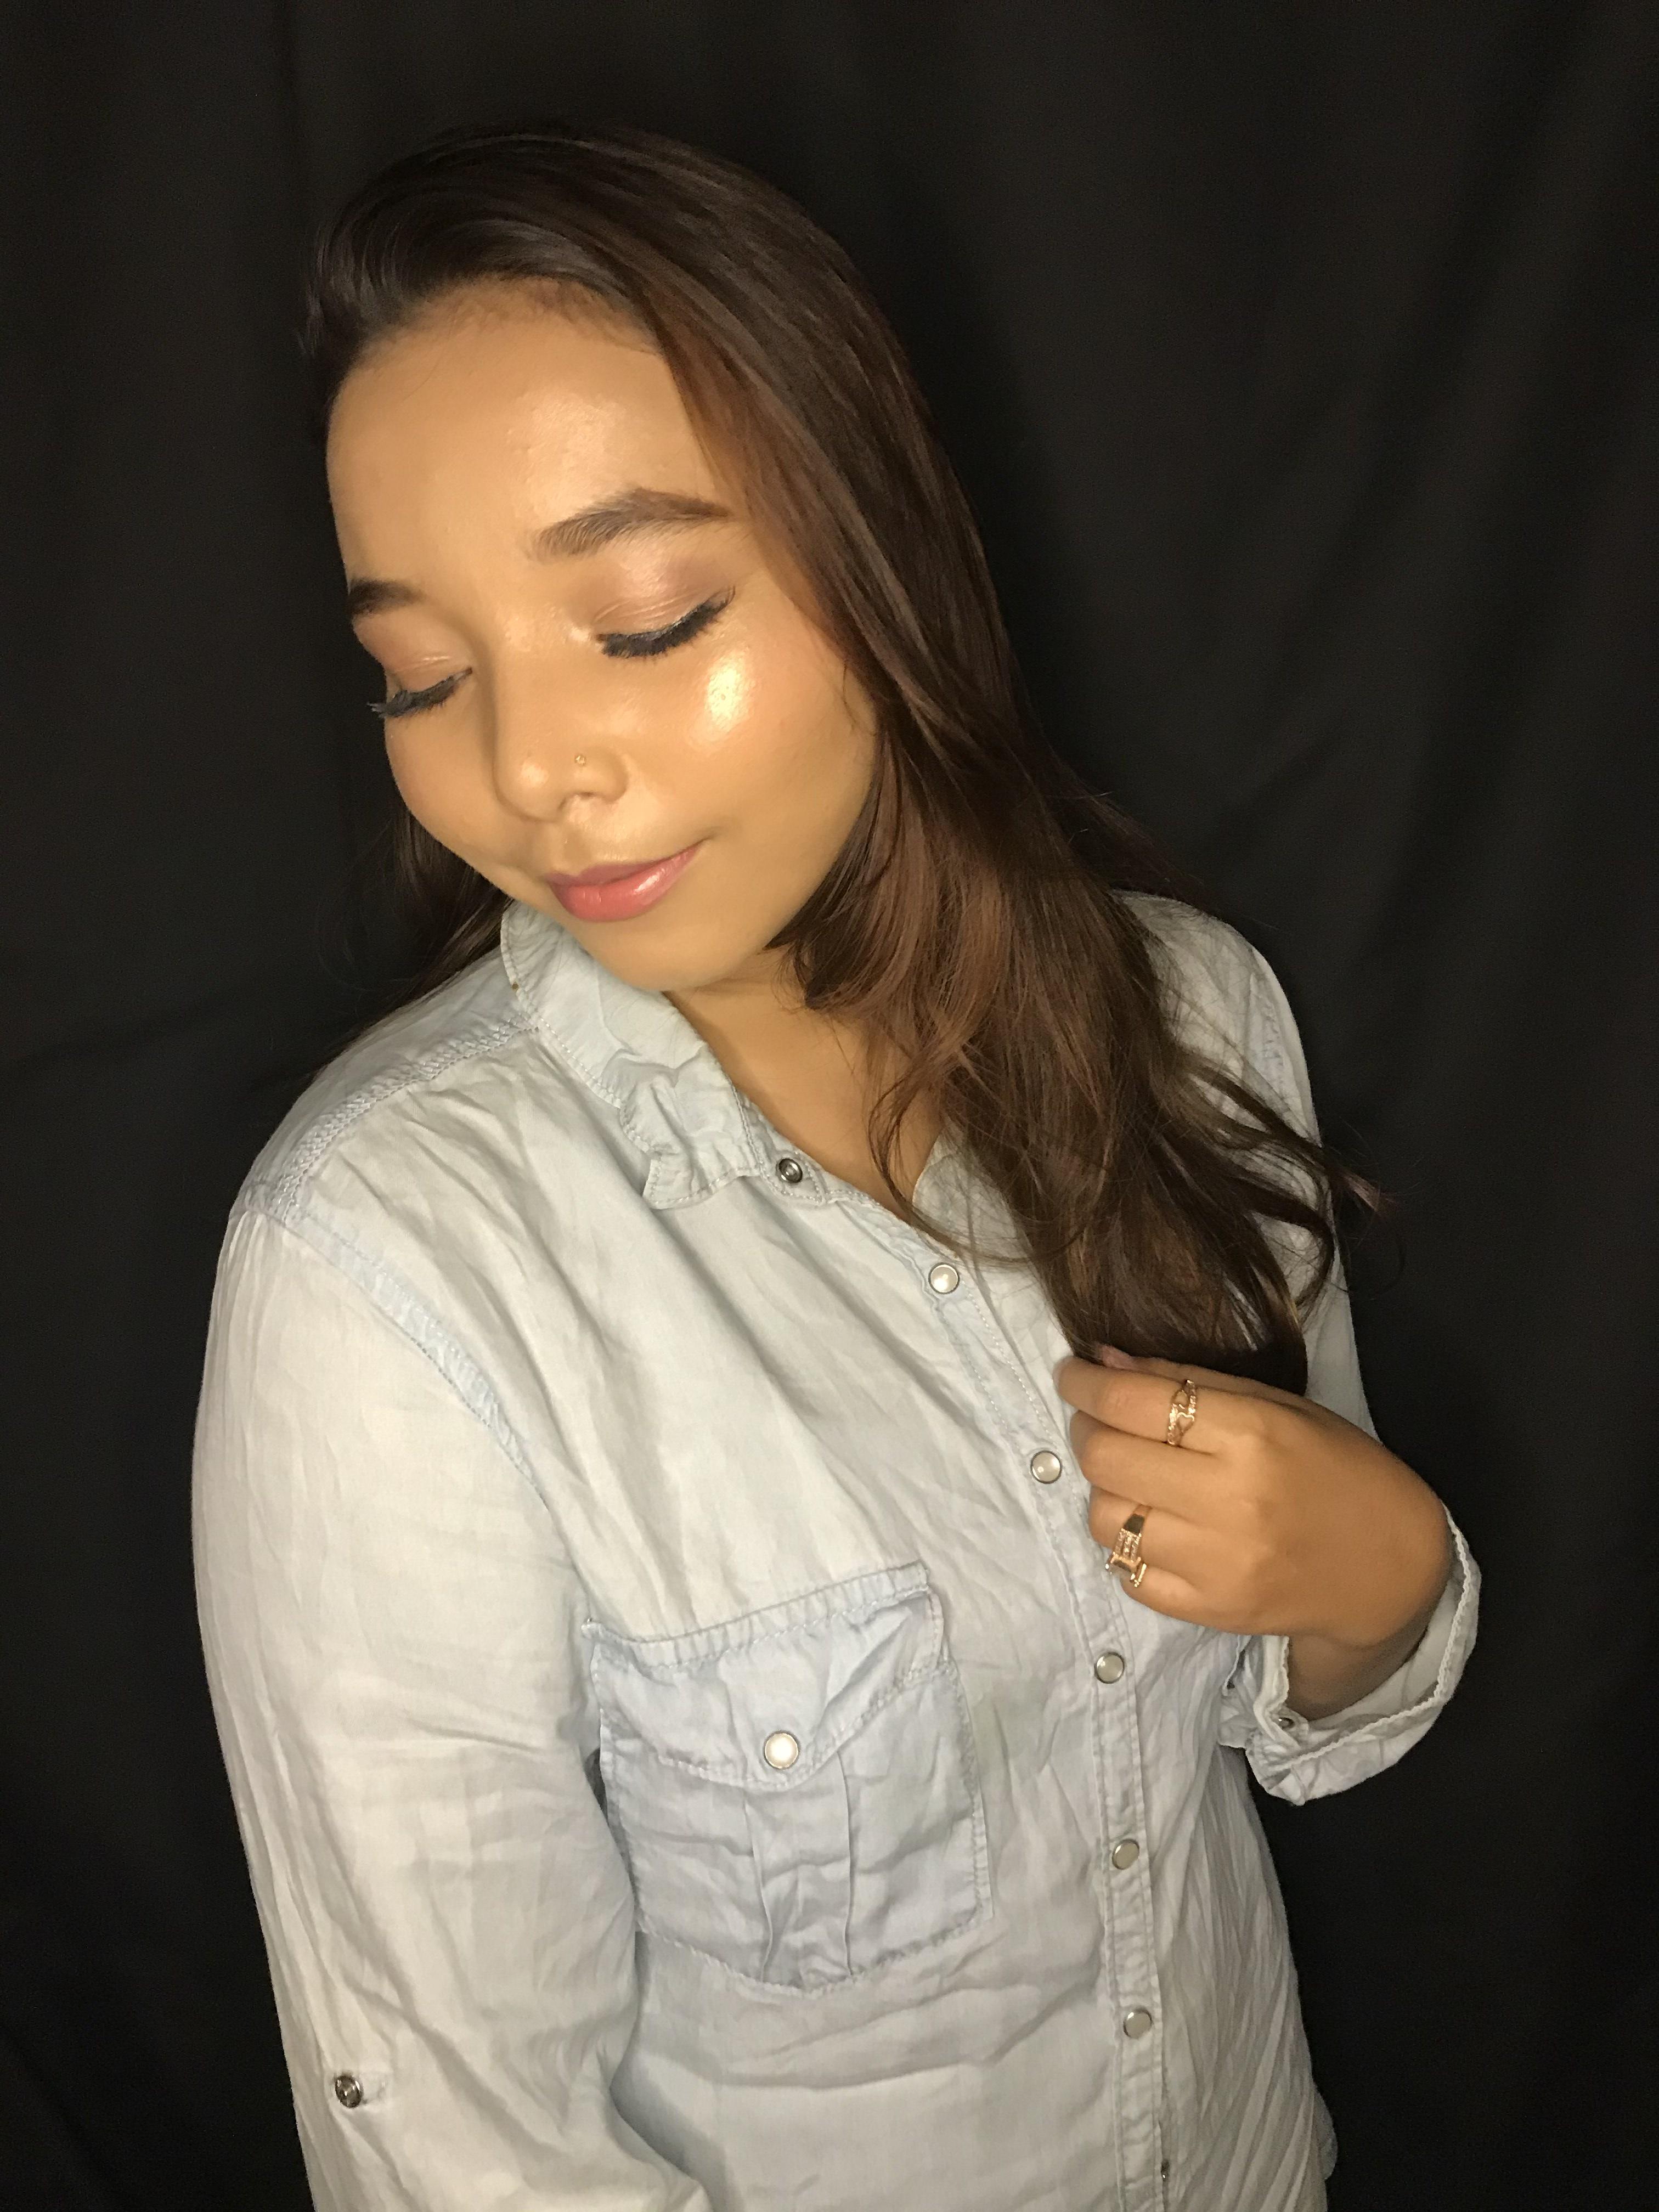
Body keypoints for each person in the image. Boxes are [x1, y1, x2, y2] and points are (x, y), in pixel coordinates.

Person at [191, 120, 1478, 2212]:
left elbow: (1303, 1710)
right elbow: (467, 2152)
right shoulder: (388, 1268)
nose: (525, 768)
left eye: (642, 619)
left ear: (883, 557)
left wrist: (1383, 1582)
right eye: (420, 675)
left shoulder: (1193, 1016)